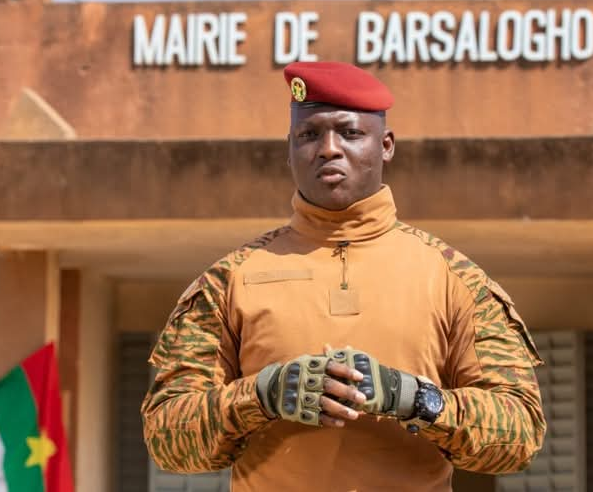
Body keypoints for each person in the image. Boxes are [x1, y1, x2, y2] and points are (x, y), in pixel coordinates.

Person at [141, 61, 546, 491]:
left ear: (386, 145)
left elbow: (520, 435)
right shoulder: (230, 281)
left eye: (350, 133)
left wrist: (410, 397)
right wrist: (263, 394)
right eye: (309, 135)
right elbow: (167, 439)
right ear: (290, 147)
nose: (328, 149)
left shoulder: (454, 279)